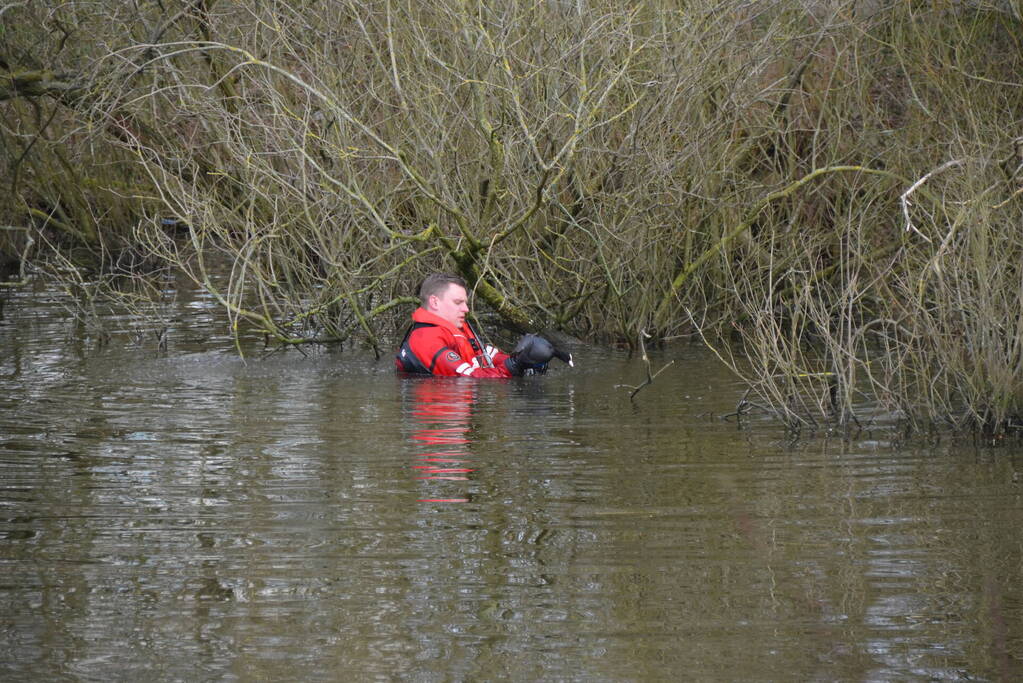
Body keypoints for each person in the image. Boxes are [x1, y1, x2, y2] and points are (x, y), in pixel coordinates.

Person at [395, 273, 571, 377]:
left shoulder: (458, 328)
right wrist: (515, 365)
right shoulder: (426, 341)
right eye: (458, 302)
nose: (466, 309)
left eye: (465, 302)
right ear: (434, 302)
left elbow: (488, 355)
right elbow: (471, 379)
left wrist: (524, 359)